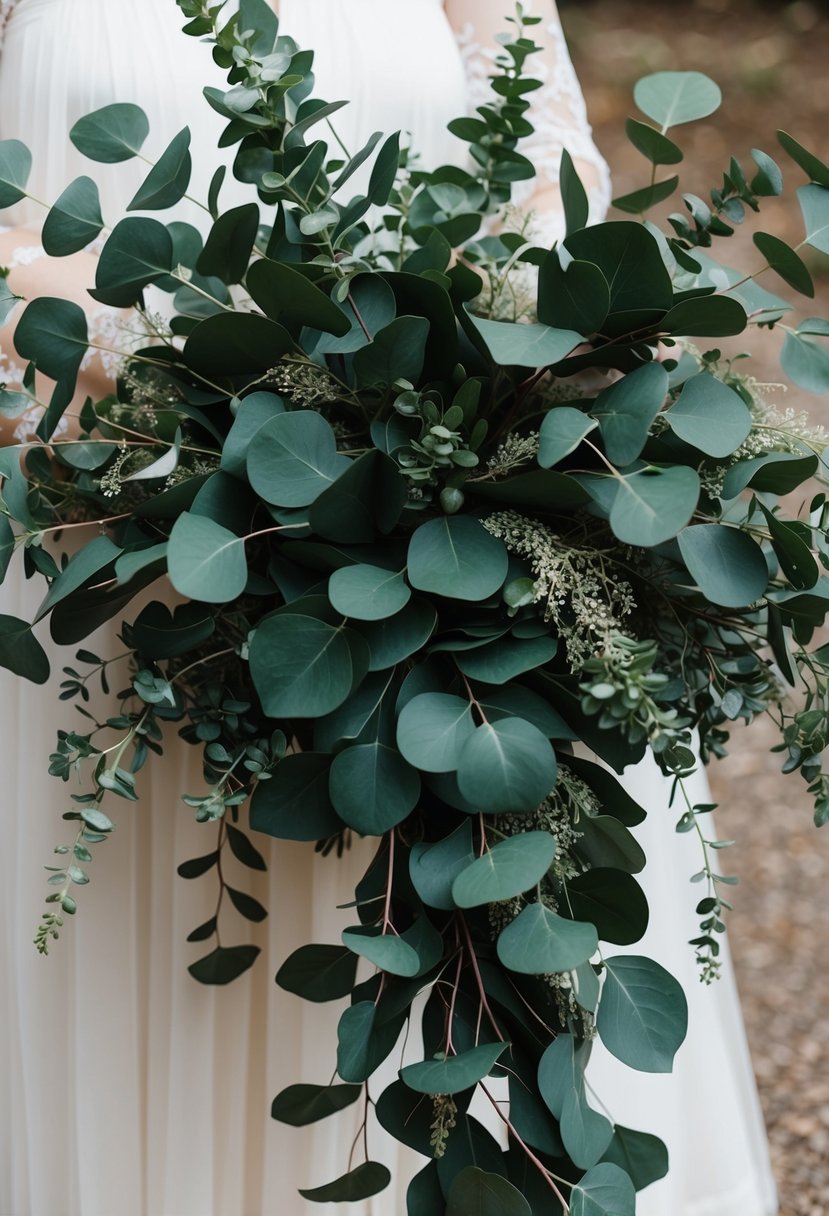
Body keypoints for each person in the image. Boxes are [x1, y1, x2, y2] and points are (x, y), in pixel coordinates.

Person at [0, 2, 777, 1213]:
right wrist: (184, 360)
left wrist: (505, 381)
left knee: (460, 943)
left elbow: (549, 172)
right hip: (110, 575)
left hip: (450, 567)